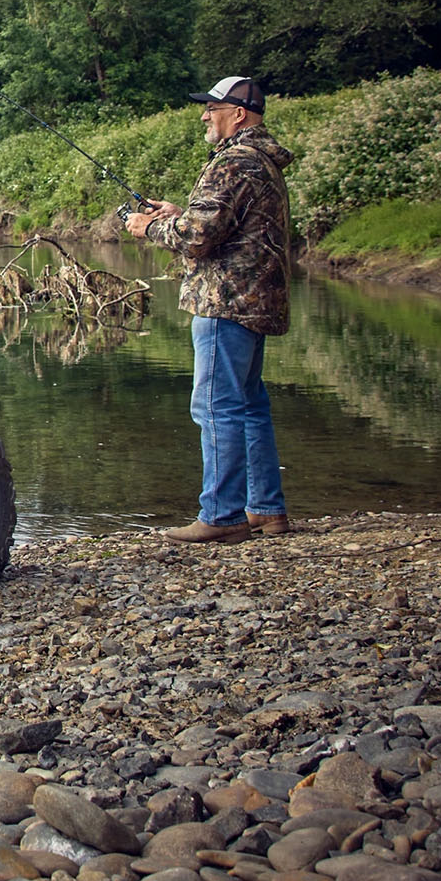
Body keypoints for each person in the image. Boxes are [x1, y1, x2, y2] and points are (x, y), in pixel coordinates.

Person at [124, 76, 294, 543]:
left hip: (226, 301)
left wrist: (147, 228)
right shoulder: (261, 161)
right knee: (250, 405)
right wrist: (177, 212)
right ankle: (265, 510)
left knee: (215, 406)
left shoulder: (234, 162)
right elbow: (227, 225)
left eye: (212, 108)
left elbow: (198, 238)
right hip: (255, 300)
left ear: (238, 114)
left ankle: (222, 516)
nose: (204, 115)